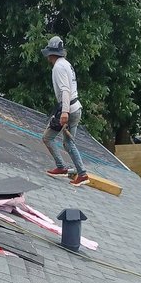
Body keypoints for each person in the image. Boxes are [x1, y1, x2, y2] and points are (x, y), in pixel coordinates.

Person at [41, 37, 89, 186]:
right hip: (76, 108)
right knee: (68, 144)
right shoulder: (66, 64)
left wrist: (64, 112)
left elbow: (65, 90)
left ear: (51, 54)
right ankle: (80, 173)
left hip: (68, 109)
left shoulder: (59, 67)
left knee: (47, 138)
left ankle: (68, 169)